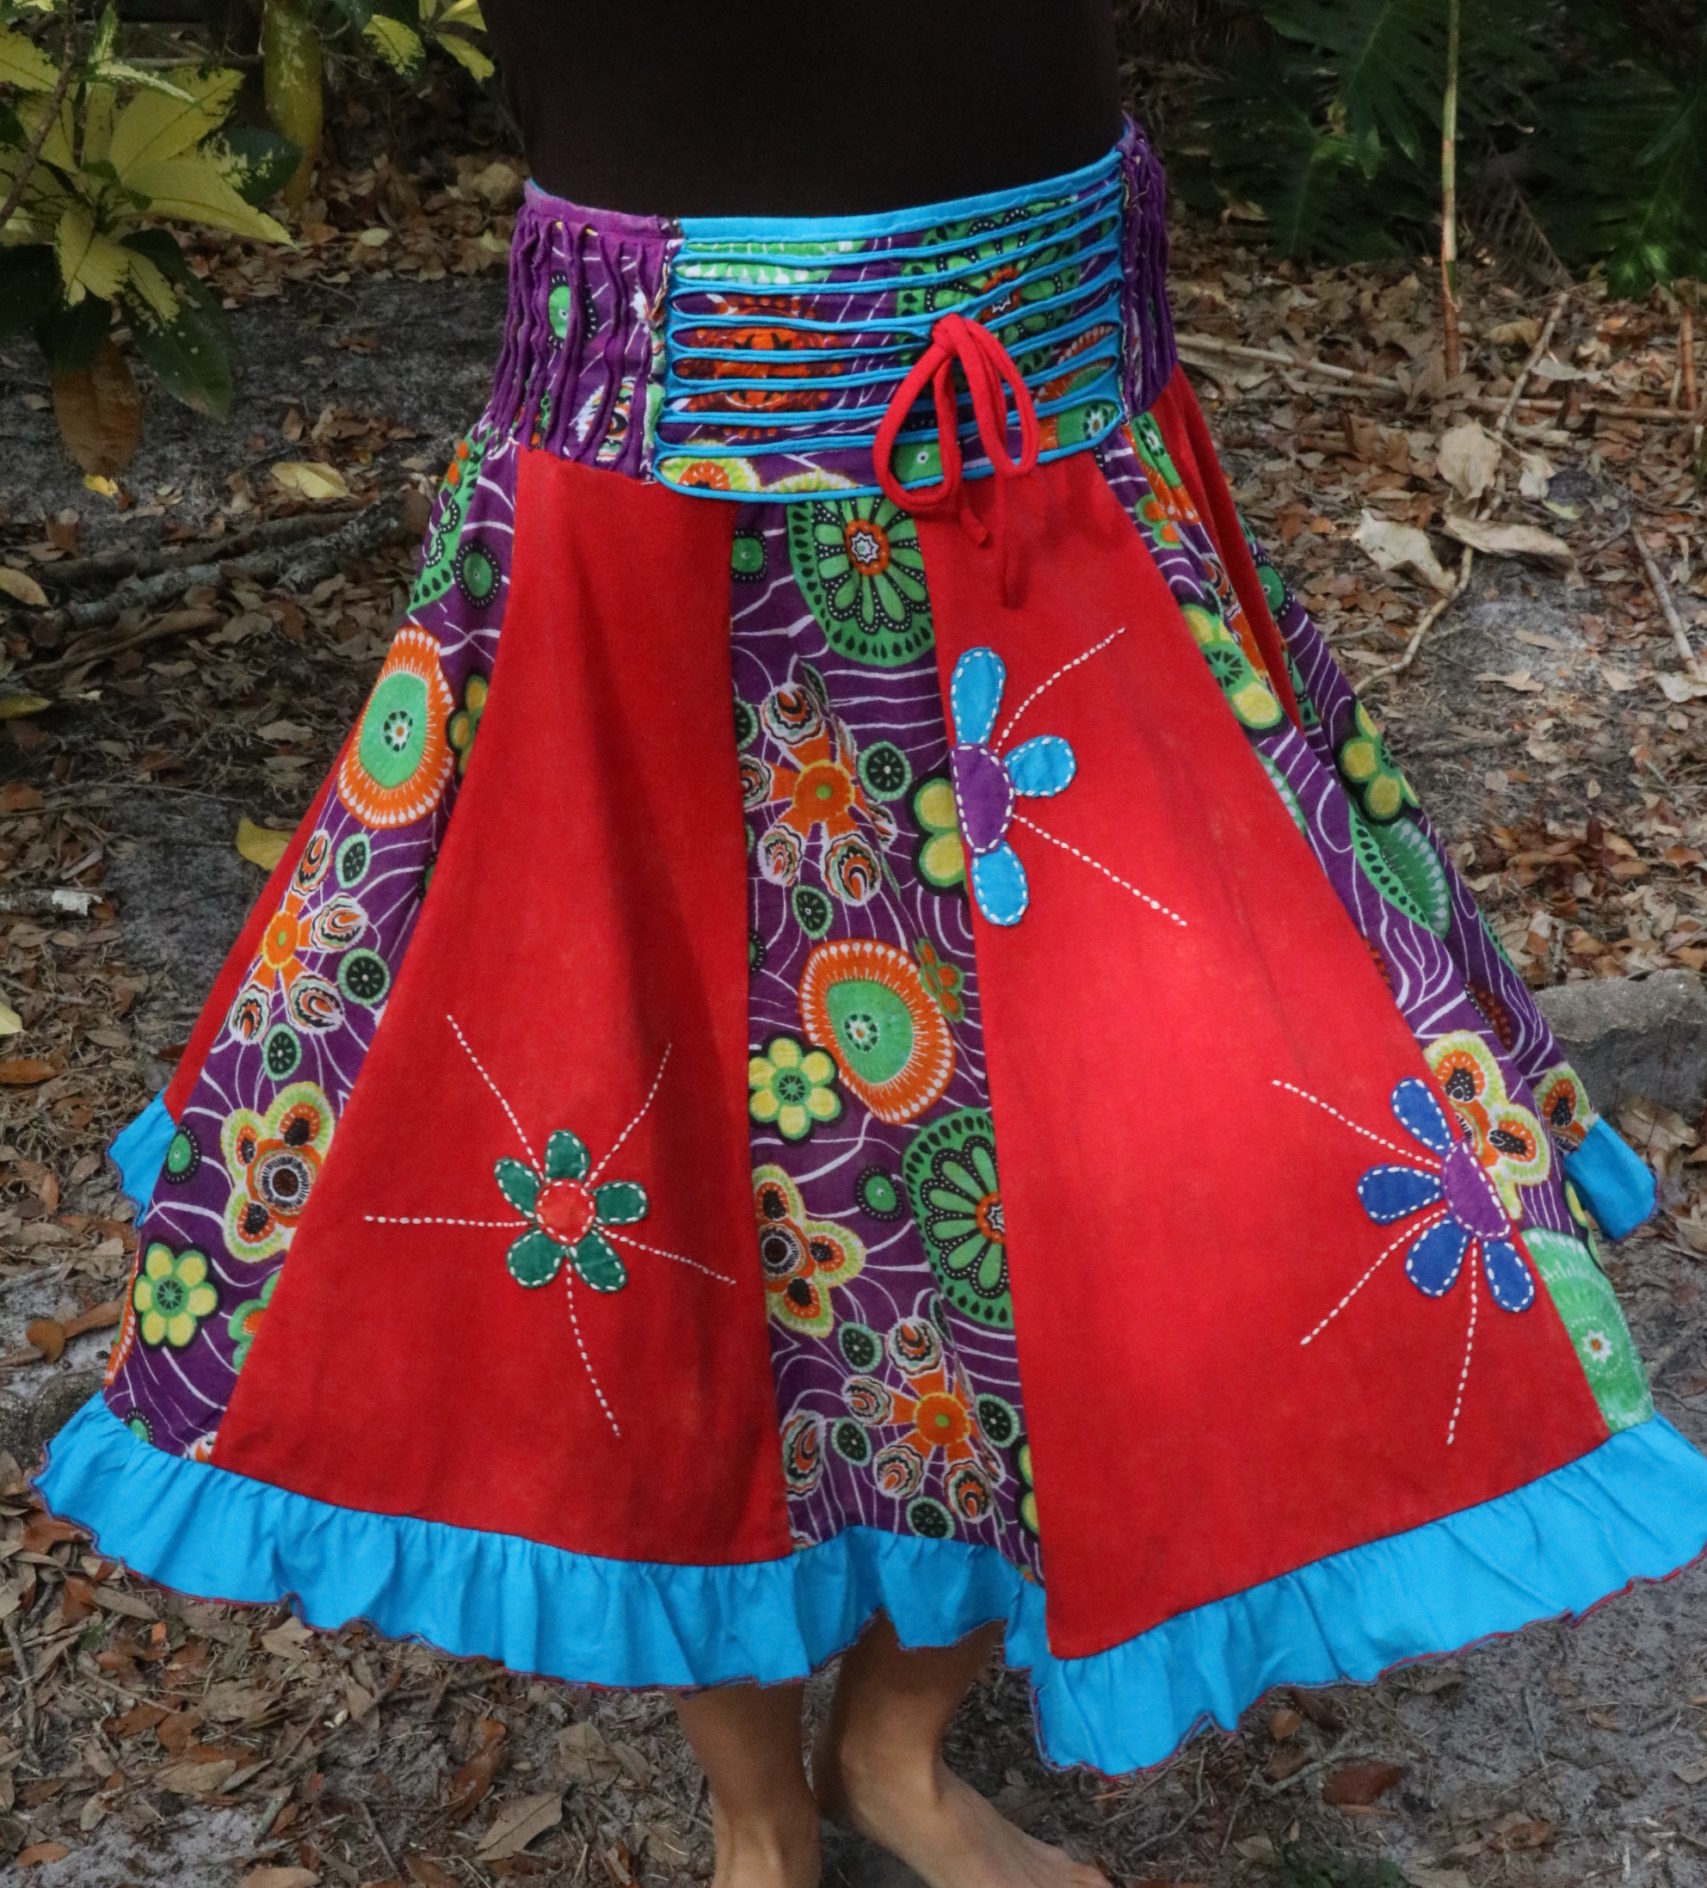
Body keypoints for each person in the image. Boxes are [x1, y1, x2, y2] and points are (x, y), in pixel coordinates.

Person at [34, 6, 1707, 1888]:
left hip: (1054, 458)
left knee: (1104, 1174)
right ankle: (759, 1812)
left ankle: (894, 1754)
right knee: (651, 1175)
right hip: (649, 501)